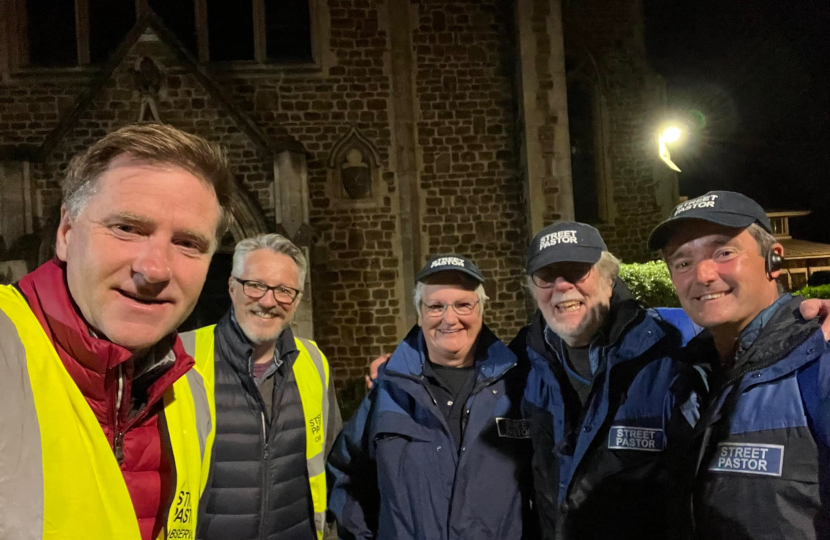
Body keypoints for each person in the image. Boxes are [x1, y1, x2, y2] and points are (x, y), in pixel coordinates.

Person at [0, 123, 232, 540]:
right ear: (67, 234)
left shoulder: (188, 392)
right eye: (127, 228)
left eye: (188, 244)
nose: (155, 269)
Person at [648, 191, 830, 539]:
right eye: (682, 262)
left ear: (773, 260)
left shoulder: (818, 361)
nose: (702, 274)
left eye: (724, 252)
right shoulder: (684, 374)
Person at [511, 222, 704, 540]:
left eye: (577, 270)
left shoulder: (675, 349)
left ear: (609, 279)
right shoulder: (519, 365)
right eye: (546, 276)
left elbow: (750, 339)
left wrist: (798, 318)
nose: (562, 285)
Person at [328, 255, 537, 540]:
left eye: (463, 305)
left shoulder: (517, 385)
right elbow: (347, 473)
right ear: (420, 314)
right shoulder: (390, 391)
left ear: (481, 309)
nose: (449, 319)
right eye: (436, 307)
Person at [189, 234, 341, 540]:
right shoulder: (183, 358)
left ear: (297, 300)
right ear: (232, 287)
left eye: (284, 291)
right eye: (255, 285)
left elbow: (332, 466)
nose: (268, 301)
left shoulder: (313, 361)